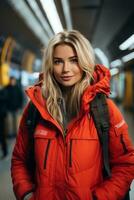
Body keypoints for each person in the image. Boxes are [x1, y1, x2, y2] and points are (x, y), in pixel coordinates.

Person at [11, 30, 134, 200]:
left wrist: (100, 198)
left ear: (84, 62)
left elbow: (125, 164)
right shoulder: (35, 109)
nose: (65, 69)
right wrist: (26, 194)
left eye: (74, 60)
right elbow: (19, 159)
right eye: (58, 62)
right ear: (50, 65)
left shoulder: (104, 109)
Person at [0, 85, 8, 158]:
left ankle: (5, 152)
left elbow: (5, 99)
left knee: (2, 135)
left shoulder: (3, 90)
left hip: (1, 116)